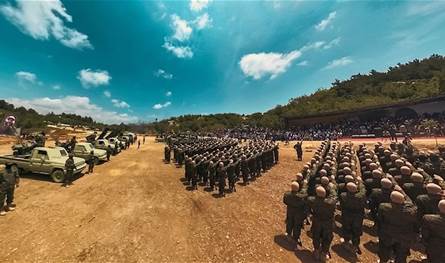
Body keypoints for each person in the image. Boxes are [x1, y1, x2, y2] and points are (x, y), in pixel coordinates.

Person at [378, 191, 417, 263]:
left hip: (387, 233)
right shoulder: (411, 211)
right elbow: (412, 205)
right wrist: (404, 196)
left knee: (384, 251)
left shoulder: (384, 207)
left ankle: (383, 261)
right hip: (404, 236)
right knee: (401, 255)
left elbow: (380, 219)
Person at [308, 186, 336, 262]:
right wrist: (331, 187)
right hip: (328, 222)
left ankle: (316, 250)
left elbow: (309, 199)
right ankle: (324, 252)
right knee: (327, 238)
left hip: (317, 221)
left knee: (316, 235)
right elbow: (334, 196)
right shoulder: (331, 202)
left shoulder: (312, 200)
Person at [339, 182, 366, 255]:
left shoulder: (343, 195)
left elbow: (341, 204)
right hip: (358, 217)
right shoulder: (361, 196)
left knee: (346, 228)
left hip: (347, 215)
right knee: (356, 231)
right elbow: (363, 190)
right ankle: (355, 246)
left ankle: (346, 242)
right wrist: (360, 182)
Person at [283, 181, 308, 249]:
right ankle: (295, 238)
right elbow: (305, 204)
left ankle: (288, 234)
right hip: (298, 213)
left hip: (290, 210)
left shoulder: (287, 195)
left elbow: (284, 201)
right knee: (297, 225)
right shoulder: (302, 197)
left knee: (289, 222)